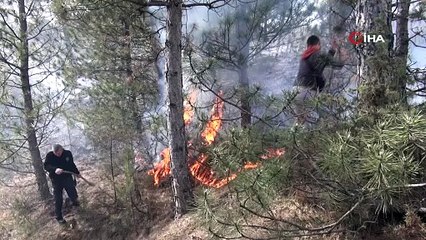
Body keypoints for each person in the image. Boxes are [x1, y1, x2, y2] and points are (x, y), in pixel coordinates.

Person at [292, 35, 344, 126]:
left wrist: (332, 50)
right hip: (307, 91)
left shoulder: (305, 55)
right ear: (317, 44)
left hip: (295, 91)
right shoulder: (315, 53)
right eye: (319, 45)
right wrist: (341, 55)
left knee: (299, 122)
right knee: (326, 116)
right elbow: (334, 65)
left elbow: (322, 63)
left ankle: (294, 139)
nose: (320, 48)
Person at [44, 144, 80, 224]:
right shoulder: (49, 156)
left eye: (59, 153)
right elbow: (46, 166)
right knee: (58, 199)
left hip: (67, 177)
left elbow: (71, 164)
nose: (57, 154)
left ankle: (78, 209)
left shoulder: (67, 153)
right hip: (56, 180)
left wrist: (77, 173)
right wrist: (55, 169)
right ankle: (59, 217)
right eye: (55, 153)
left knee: (73, 193)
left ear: (62, 149)